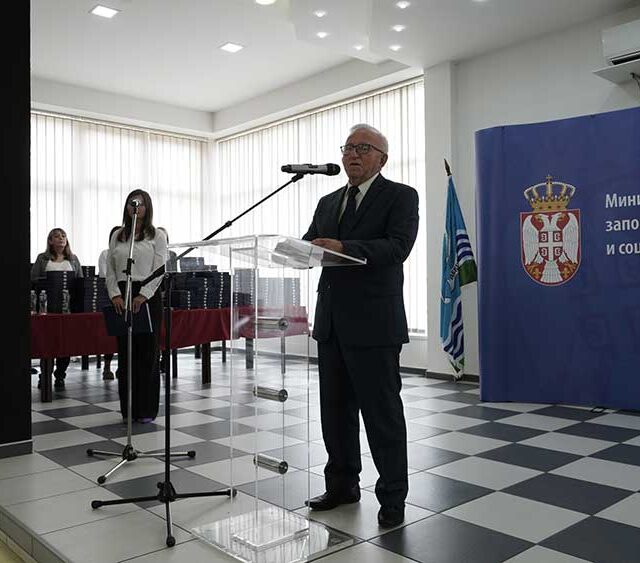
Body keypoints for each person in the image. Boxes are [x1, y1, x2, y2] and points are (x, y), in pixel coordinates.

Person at [302, 124, 419, 528]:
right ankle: (341, 485)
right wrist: (297, 250)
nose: (352, 154)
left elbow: (398, 247)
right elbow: (310, 243)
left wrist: (345, 248)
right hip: (331, 323)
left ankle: (393, 497)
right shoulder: (328, 201)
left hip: (374, 325)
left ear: (382, 159)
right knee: (335, 414)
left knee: (382, 416)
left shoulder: (401, 196)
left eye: (363, 148)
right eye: (348, 147)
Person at [106, 190, 167, 423]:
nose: (136, 207)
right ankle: (128, 410)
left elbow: (160, 269)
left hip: (147, 294)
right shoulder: (118, 235)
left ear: (147, 207)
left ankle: (146, 410)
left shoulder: (157, 235)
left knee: (147, 353)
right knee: (126, 354)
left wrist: (144, 295)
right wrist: (114, 295)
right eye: (133, 203)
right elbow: (110, 269)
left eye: (141, 204)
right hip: (122, 293)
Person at [31, 228, 83, 389]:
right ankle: (45, 374)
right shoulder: (42, 258)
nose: (61, 239)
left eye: (63, 236)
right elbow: (33, 279)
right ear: (50, 241)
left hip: (68, 308)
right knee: (48, 342)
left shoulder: (73, 259)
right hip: (47, 307)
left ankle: (60, 374)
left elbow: (80, 281)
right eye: (57, 236)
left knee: (65, 343)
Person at [98, 225, 121, 380]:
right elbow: (104, 275)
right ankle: (107, 365)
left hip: (127, 296)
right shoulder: (105, 254)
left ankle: (123, 365)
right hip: (109, 296)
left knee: (123, 334)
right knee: (110, 335)